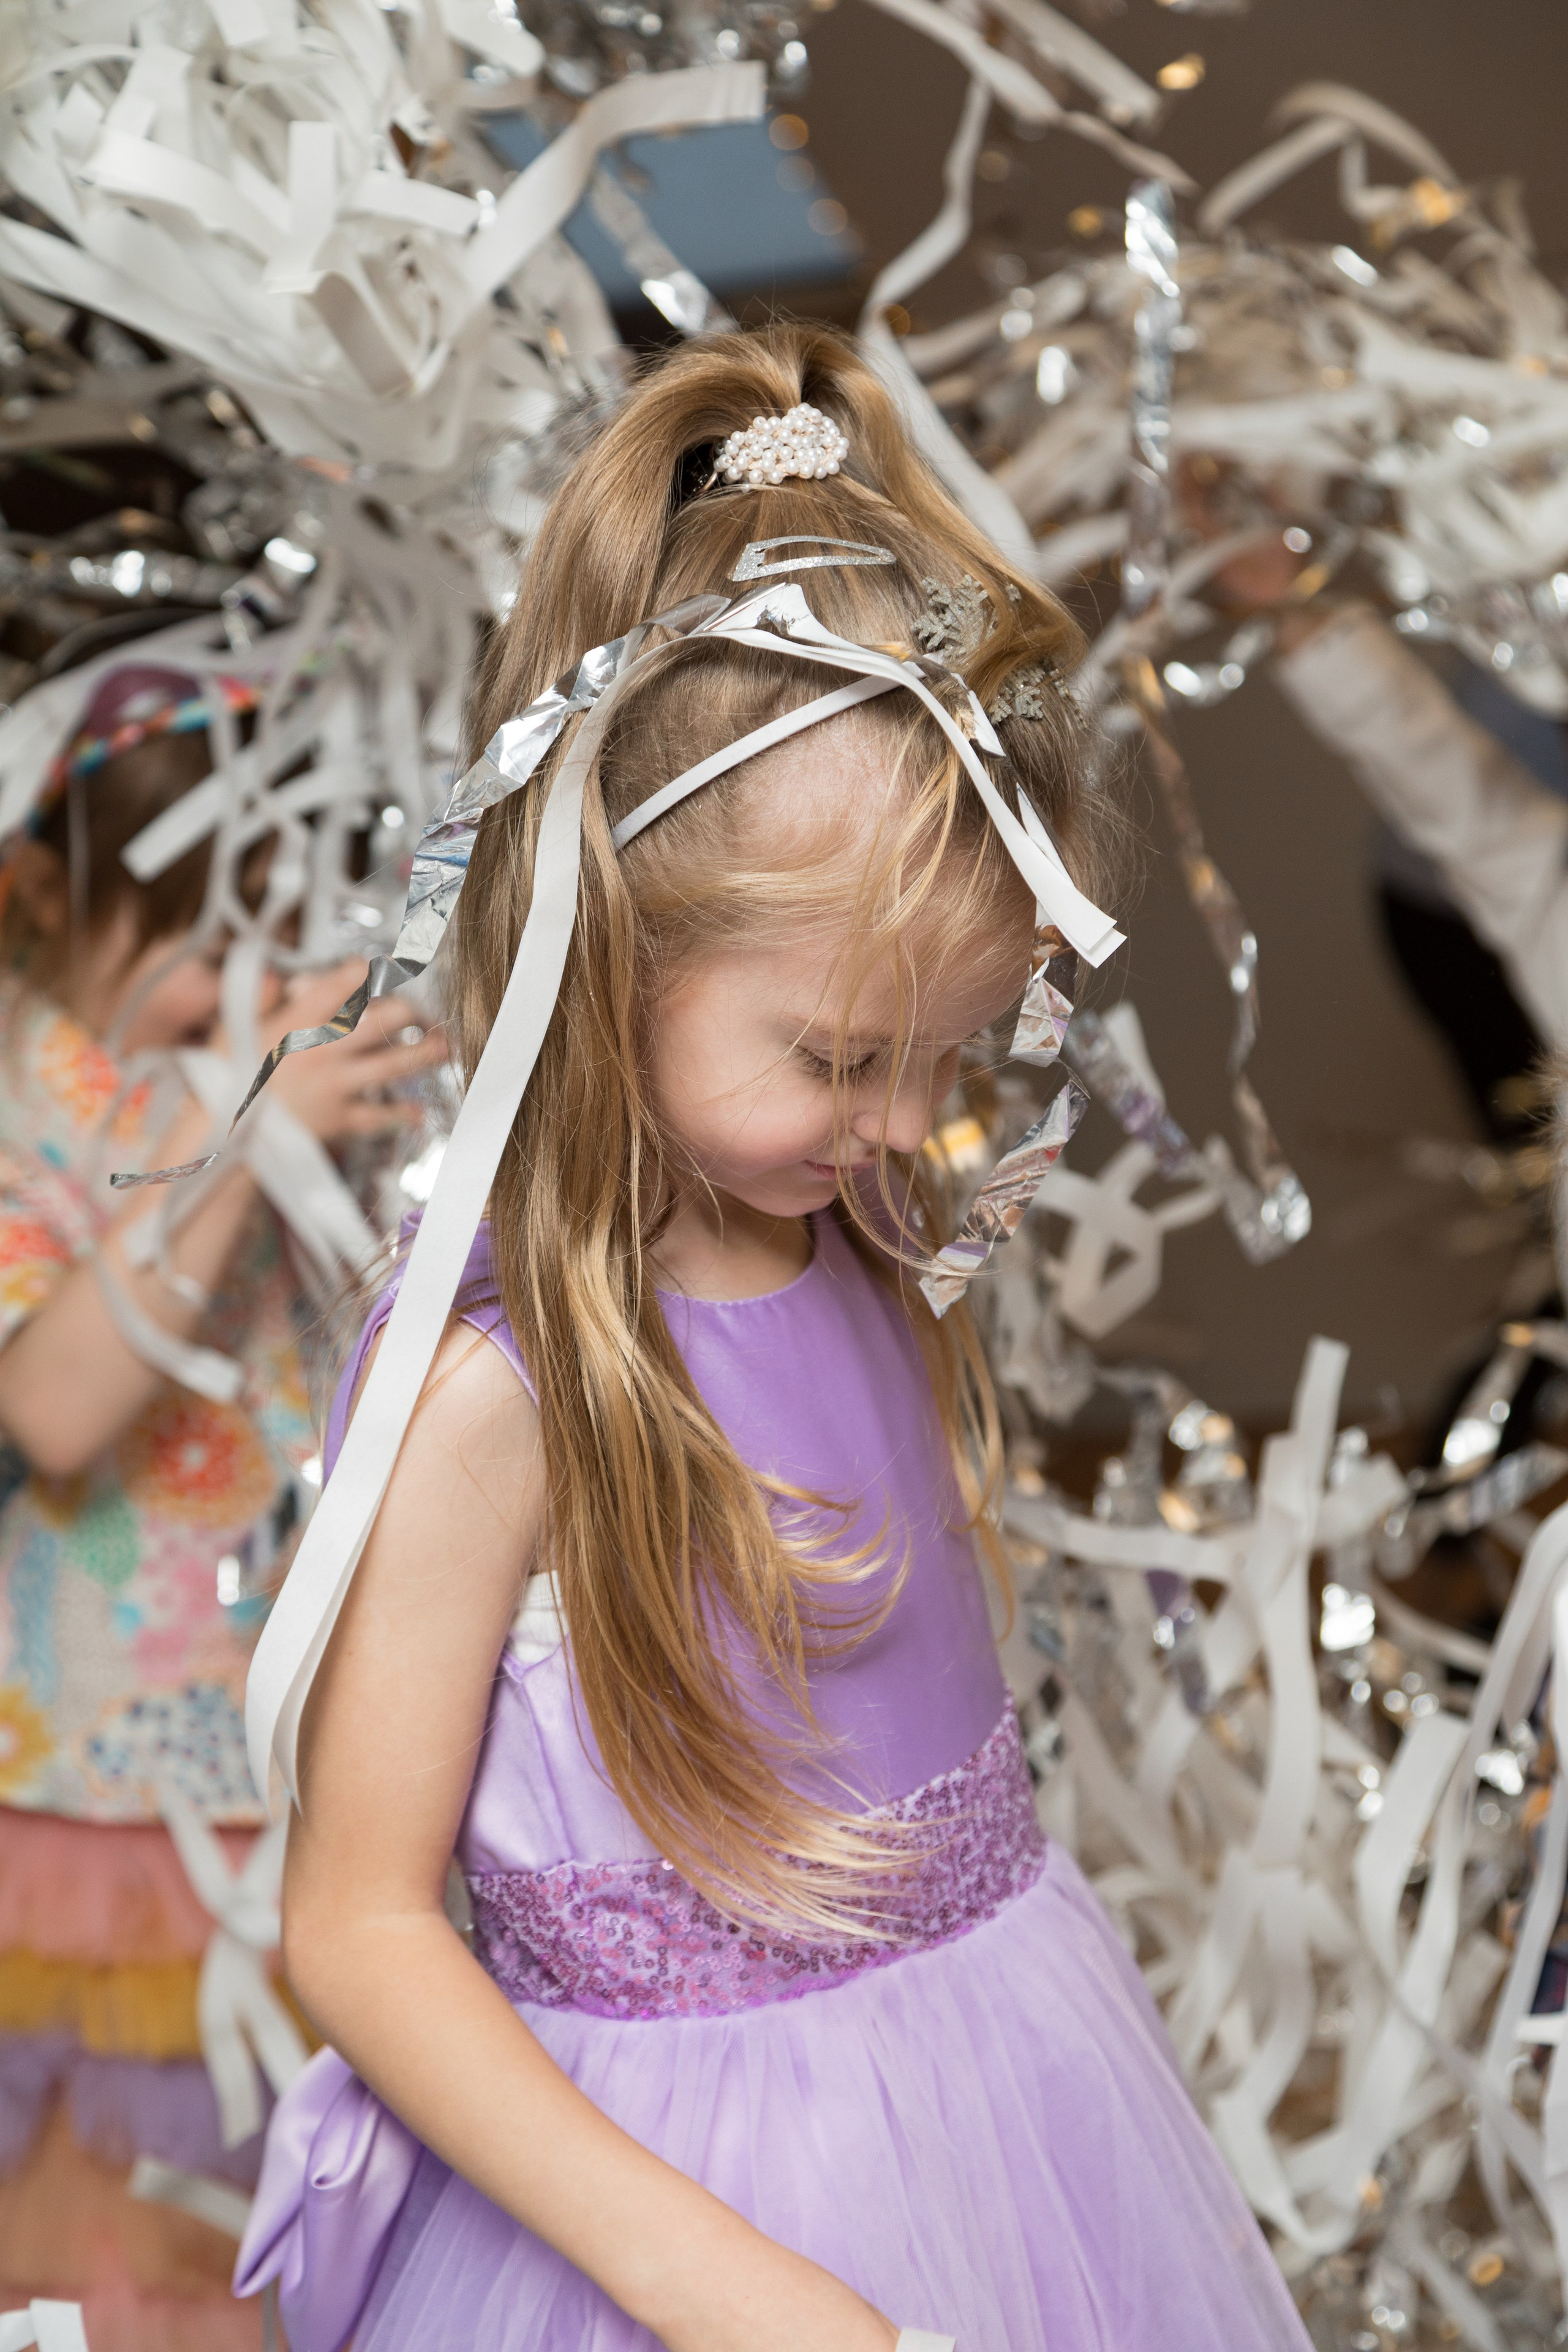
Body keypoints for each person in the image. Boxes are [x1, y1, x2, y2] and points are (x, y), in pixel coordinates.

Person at [235, 326, 1311, 2352]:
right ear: (612, 941)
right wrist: (709, 2282)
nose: (911, 1123)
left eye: (951, 1057)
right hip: (692, 2205)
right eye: (839, 1054)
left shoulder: (866, 1252)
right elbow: (357, 1923)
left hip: (1010, 2086)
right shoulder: (508, 1399)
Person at [0, 663, 443, 2345]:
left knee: (285, 2267)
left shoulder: (254, 1059)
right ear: (45, 893)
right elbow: (51, 1409)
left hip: (300, 1784)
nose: (217, 982)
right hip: (94, 1815)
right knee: (116, 2278)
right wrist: (248, 1140)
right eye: (181, 934)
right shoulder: (25, 1100)